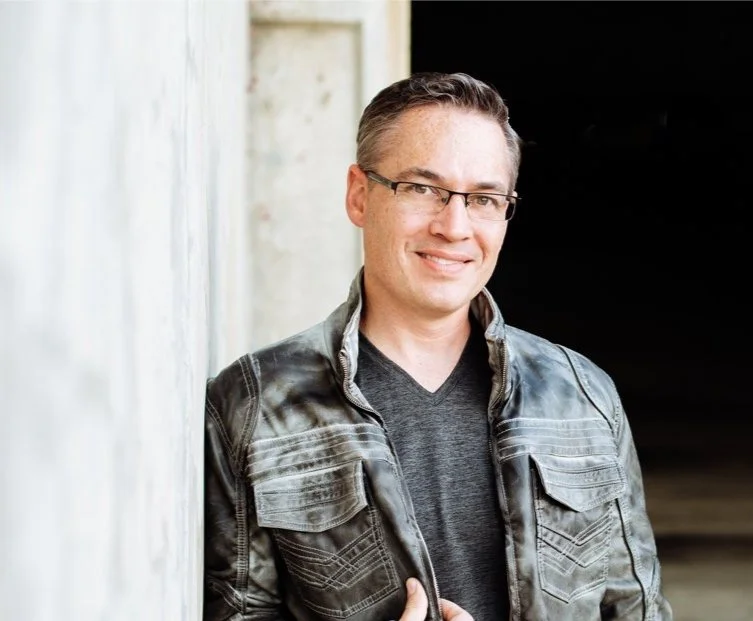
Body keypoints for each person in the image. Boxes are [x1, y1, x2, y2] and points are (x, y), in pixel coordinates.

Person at [203, 71, 673, 621]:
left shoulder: (582, 395)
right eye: (422, 188)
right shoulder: (254, 406)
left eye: (483, 198)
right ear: (359, 195)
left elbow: (637, 609)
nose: (454, 226)